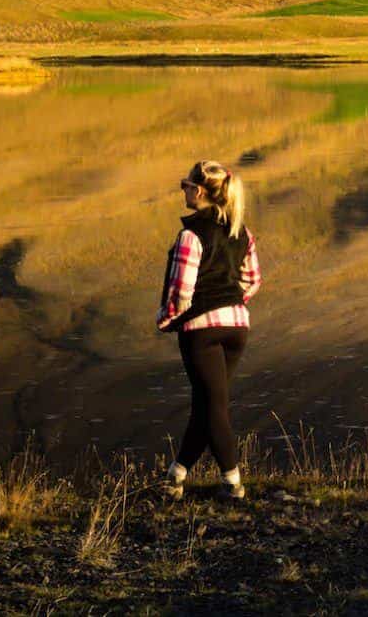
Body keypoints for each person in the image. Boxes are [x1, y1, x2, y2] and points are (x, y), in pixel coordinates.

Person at [157, 159, 262, 499]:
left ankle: (232, 482)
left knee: (213, 406)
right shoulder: (241, 232)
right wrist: (232, 303)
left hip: (202, 330)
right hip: (237, 327)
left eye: (185, 184)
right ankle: (176, 474)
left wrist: (168, 319)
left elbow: (181, 290)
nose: (183, 189)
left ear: (199, 191)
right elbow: (252, 281)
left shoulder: (190, 235)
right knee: (208, 403)